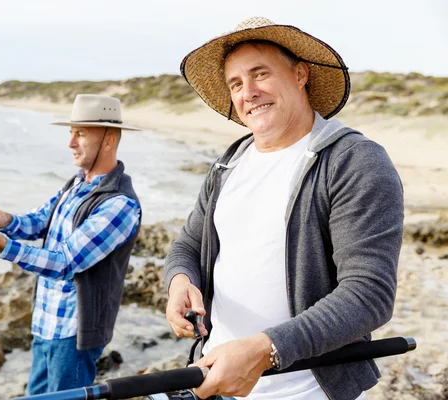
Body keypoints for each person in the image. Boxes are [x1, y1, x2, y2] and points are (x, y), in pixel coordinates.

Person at [164, 17, 403, 400]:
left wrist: (263, 349)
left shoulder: (354, 161)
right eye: (236, 84)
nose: (249, 92)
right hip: (216, 377)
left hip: (305, 389)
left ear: (300, 74)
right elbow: (188, 246)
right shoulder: (229, 164)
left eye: (261, 74)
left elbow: (368, 293)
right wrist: (180, 281)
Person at [0, 94, 142, 395]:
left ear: (108, 140)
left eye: (80, 134)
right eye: (70, 132)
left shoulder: (119, 205)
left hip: (74, 334)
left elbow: (65, 262)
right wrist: (6, 220)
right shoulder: (77, 183)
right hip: (45, 321)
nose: (70, 143)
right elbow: (41, 220)